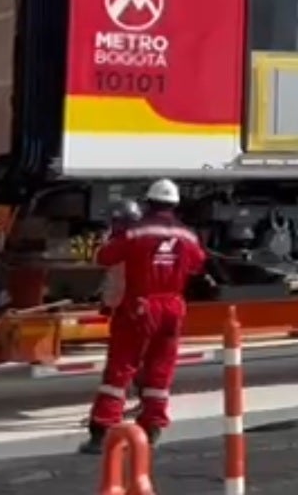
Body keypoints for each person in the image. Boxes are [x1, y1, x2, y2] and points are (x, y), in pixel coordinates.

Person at [81, 179, 209, 454]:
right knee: (161, 368)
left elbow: (104, 257)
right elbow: (198, 264)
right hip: (173, 306)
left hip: (140, 306)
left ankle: (101, 432)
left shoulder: (134, 233)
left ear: (147, 203)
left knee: (121, 367)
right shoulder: (188, 235)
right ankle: (152, 428)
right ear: (175, 204)